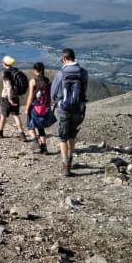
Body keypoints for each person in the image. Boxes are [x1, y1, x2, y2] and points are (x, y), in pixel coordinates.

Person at [50, 48, 89, 177]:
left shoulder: (61, 73)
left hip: (63, 109)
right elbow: (83, 90)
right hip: (78, 109)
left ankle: (65, 165)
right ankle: (71, 158)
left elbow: (53, 92)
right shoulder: (83, 72)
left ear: (65, 59)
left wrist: (57, 101)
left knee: (62, 138)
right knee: (72, 136)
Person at [24, 62, 56, 154]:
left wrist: (27, 109)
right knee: (41, 128)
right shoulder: (48, 81)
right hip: (44, 108)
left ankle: (35, 140)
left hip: (35, 107)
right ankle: (44, 148)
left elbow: (30, 97)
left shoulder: (33, 81)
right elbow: (49, 96)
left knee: (31, 127)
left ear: (35, 70)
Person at [0, 55, 27, 141]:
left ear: (4, 63)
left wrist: (10, 98)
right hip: (16, 96)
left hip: (7, 97)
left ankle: (0, 132)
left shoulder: (6, 73)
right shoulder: (16, 71)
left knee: (4, 115)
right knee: (15, 115)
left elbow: (8, 87)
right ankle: (22, 134)